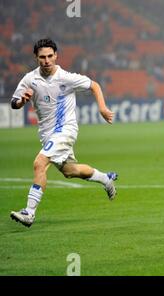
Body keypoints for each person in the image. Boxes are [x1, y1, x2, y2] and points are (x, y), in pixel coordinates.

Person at [9, 38, 118, 227]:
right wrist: (21, 102)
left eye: (50, 56)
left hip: (65, 129)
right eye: (42, 57)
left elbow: (94, 86)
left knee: (39, 164)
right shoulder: (29, 79)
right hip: (47, 134)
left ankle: (29, 212)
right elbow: (14, 102)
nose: (46, 60)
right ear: (36, 57)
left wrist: (102, 108)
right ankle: (105, 178)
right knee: (70, 171)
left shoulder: (65, 77)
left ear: (56, 56)